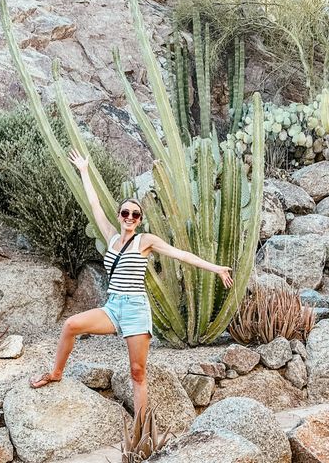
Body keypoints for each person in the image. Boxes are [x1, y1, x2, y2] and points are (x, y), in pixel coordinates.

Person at [30, 148, 233, 416]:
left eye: (135, 215)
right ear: (119, 215)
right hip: (113, 307)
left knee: (137, 372)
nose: (129, 217)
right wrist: (84, 171)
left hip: (136, 309)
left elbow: (180, 254)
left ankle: (141, 428)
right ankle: (56, 372)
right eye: (125, 213)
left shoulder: (145, 241)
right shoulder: (112, 237)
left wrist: (216, 267)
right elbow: (94, 206)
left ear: (139, 220)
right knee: (70, 325)